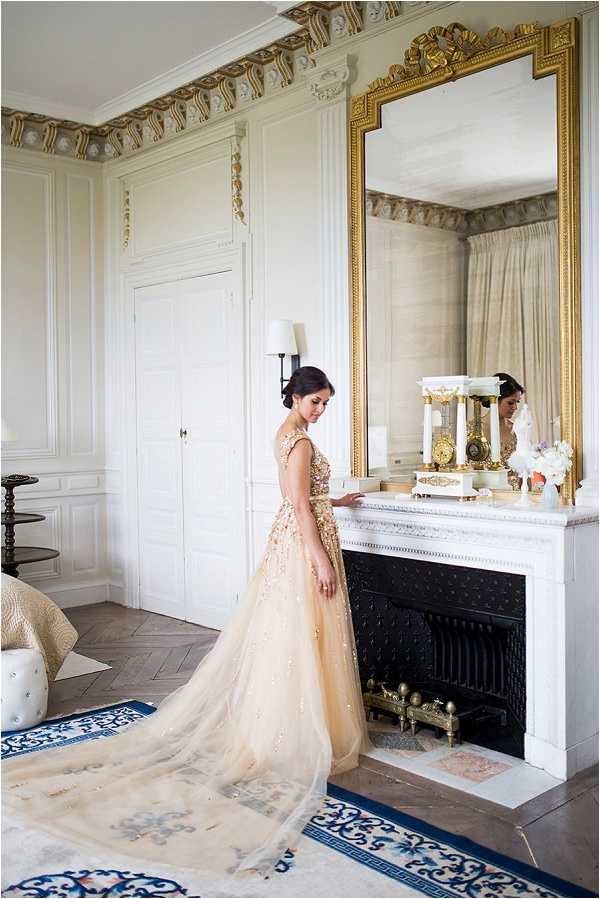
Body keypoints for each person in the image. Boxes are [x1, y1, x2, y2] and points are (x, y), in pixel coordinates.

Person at [2, 366, 370, 879]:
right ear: (295, 397)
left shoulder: (286, 434)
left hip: (291, 539)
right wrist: (322, 560)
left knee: (289, 636)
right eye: (315, 401)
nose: (321, 410)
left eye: (327, 402)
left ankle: (286, 722)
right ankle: (294, 728)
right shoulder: (301, 442)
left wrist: (337, 501)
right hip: (304, 545)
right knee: (301, 634)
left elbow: (301, 500)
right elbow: (299, 508)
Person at [482, 372, 525, 489]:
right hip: (483, 495)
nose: (515, 407)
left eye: (517, 402)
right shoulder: (473, 430)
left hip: (514, 495)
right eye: (510, 402)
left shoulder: (517, 430)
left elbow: (523, 471)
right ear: (494, 399)